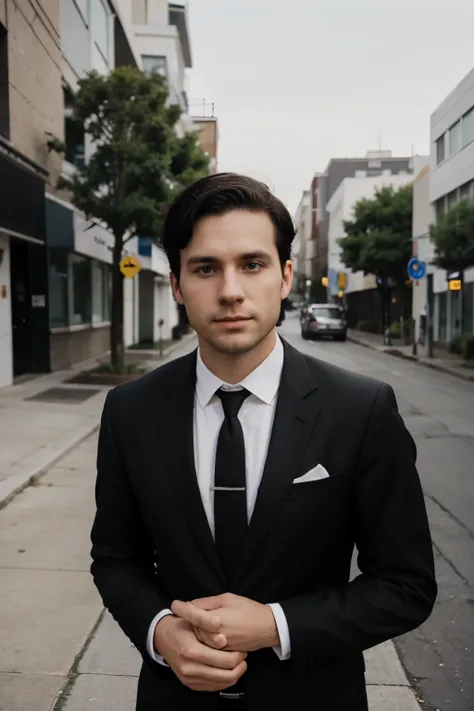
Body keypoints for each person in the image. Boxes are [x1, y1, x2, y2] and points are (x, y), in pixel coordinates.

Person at [90, 173, 437, 711]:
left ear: (285, 276)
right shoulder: (131, 410)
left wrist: (277, 625)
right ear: (178, 284)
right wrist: (161, 633)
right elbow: (115, 559)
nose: (230, 291)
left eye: (252, 264)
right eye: (206, 268)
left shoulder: (360, 409)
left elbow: (405, 584)